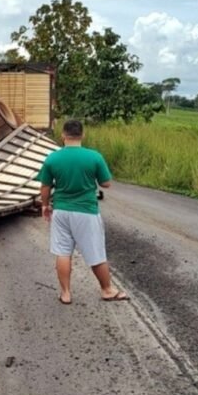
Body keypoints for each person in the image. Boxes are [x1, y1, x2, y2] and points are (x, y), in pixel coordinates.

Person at [36, 120, 129, 305]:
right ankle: (107, 290)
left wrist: (45, 206)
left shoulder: (52, 158)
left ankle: (66, 294)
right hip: (86, 211)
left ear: (63, 135)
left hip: (61, 210)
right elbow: (106, 184)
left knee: (63, 252)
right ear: (82, 135)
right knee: (96, 253)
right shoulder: (94, 157)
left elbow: (45, 186)